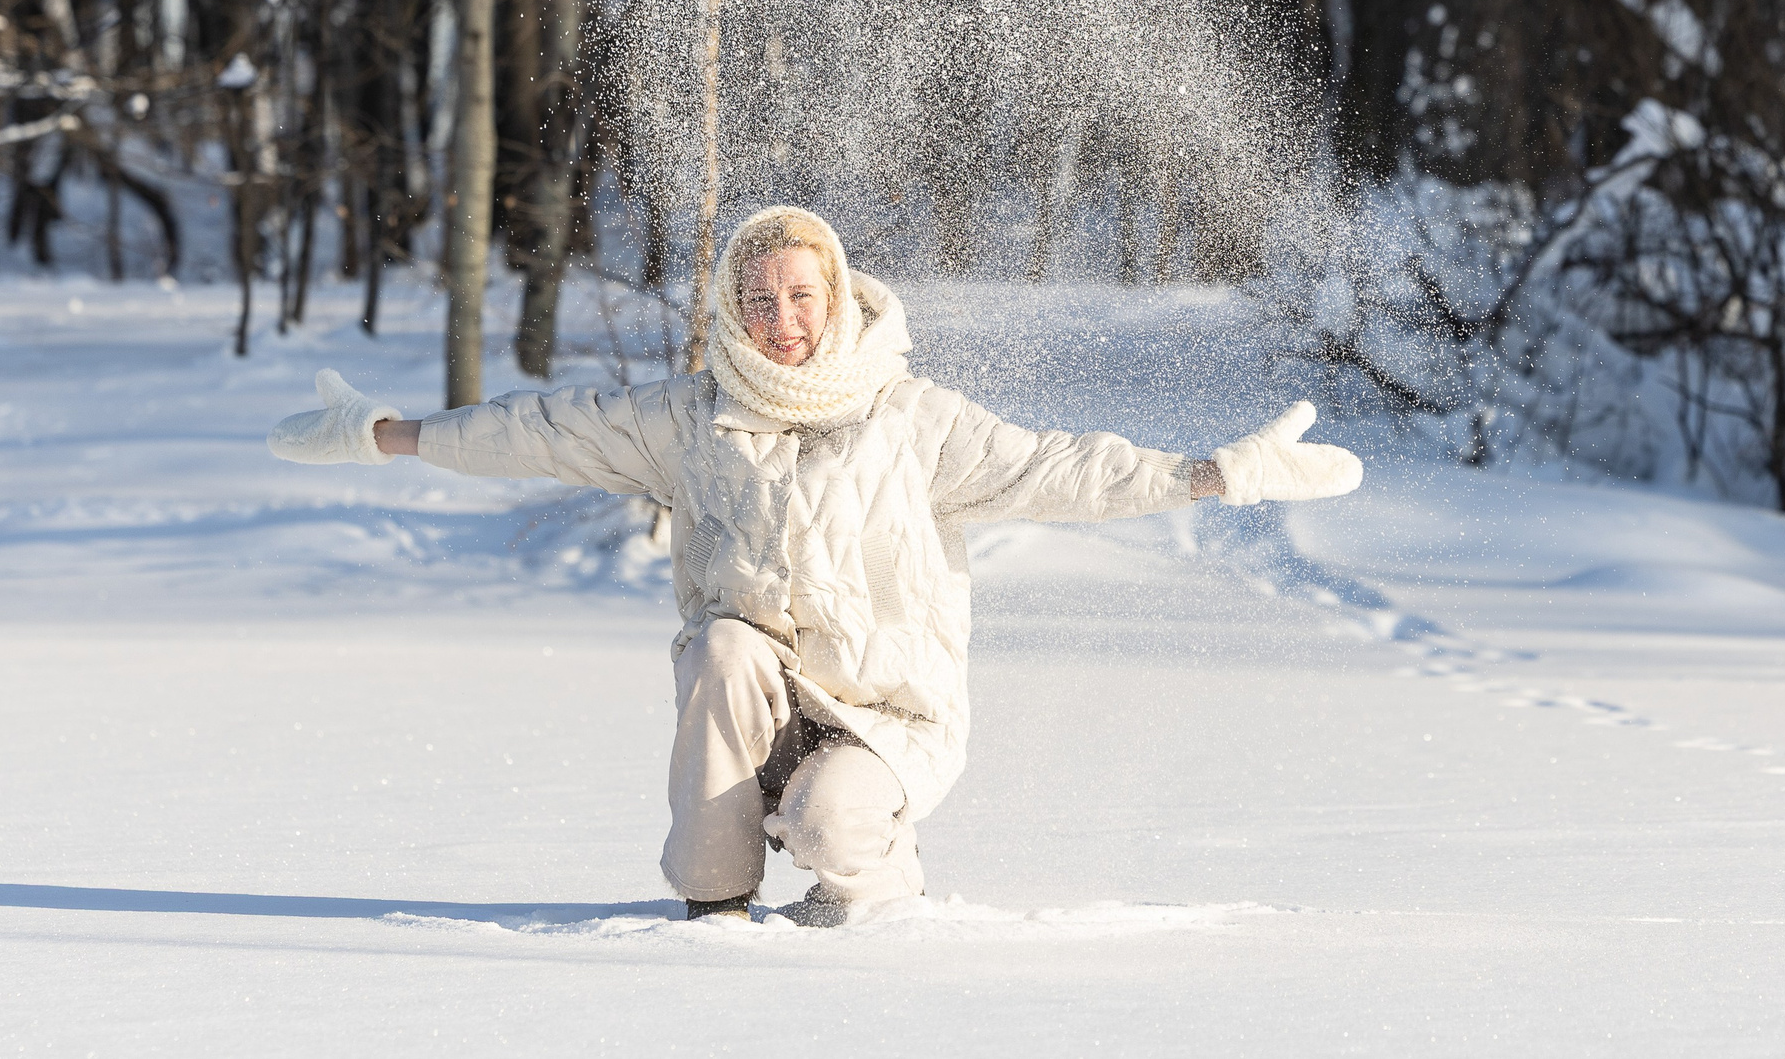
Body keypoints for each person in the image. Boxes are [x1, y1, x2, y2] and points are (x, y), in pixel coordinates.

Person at [267, 205, 1362, 925]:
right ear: (731, 310)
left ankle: (882, 912)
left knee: (840, 828)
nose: (779, 318)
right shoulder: (689, 417)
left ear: (836, 295)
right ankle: (713, 907)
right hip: (756, 700)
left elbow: (1059, 467)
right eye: (757, 298)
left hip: (887, 714)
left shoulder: (913, 418)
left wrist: (1216, 473)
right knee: (726, 640)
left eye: (800, 294)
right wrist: (389, 432)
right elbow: (547, 428)